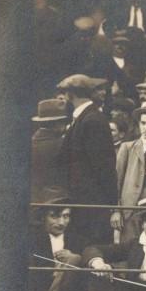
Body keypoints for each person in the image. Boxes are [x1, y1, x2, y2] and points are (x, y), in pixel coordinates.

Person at [55, 74, 117, 244]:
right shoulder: (85, 118)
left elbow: (103, 167)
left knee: (92, 252)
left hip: (92, 206)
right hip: (84, 203)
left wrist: (111, 203)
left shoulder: (92, 120)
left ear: (70, 95)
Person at [29, 197, 94, 291]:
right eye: (54, 216)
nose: (61, 222)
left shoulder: (79, 241)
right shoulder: (32, 240)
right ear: (43, 217)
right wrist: (55, 271)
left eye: (66, 216)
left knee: (75, 258)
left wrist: (73, 261)